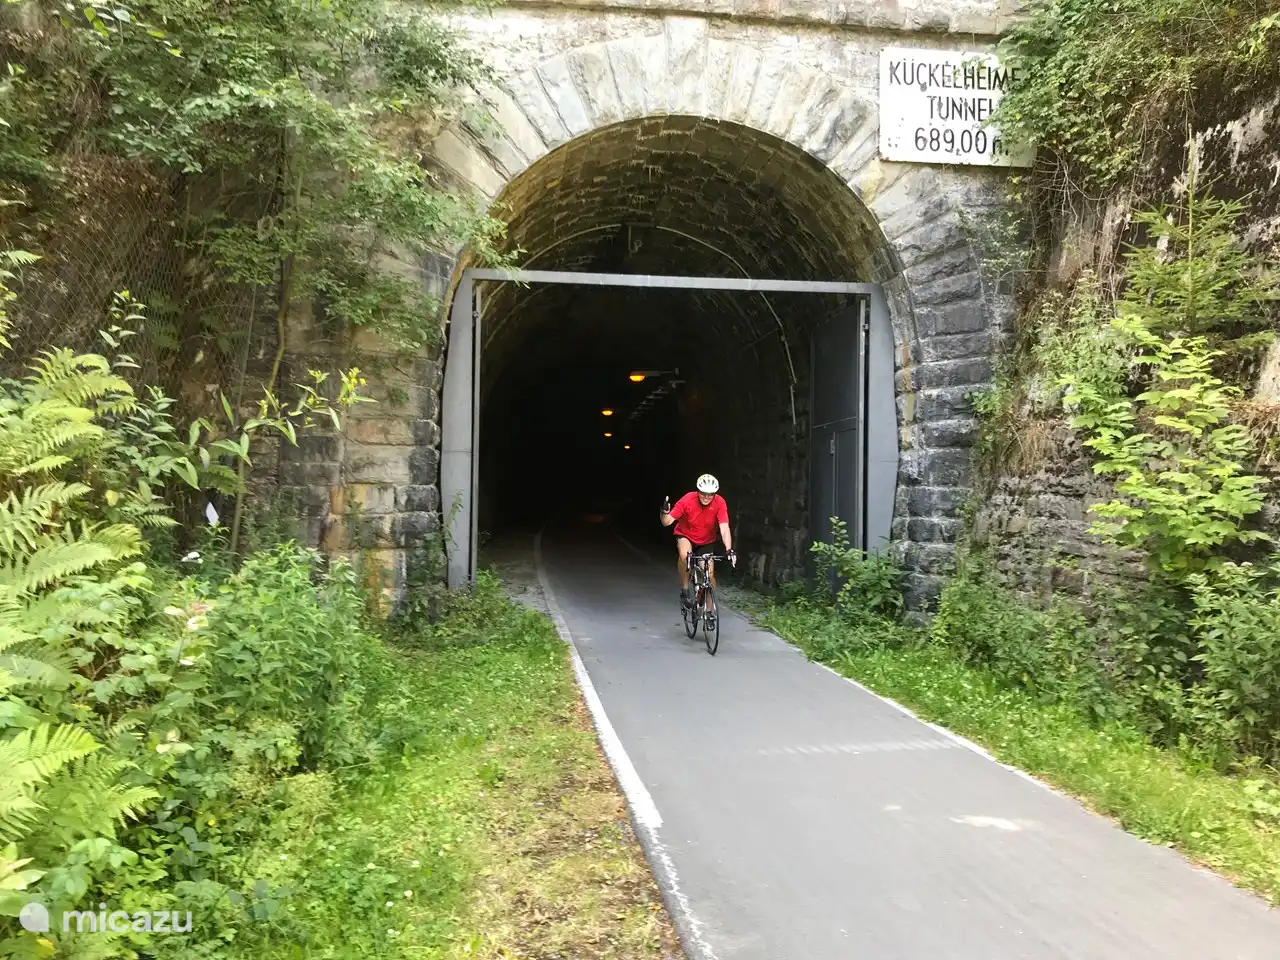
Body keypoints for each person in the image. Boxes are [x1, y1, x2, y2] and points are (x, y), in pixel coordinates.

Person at [660, 474, 736, 609]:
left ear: (715, 494)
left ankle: (709, 611)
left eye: (710, 494)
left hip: (706, 540)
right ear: (698, 491)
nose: (706, 497)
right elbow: (667, 522)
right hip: (686, 535)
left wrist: (729, 549)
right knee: (685, 555)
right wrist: (664, 512)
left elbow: (724, 527)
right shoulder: (688, 499)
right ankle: (684, 589)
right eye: (703, 494)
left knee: (710, 575)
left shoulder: (720, 502)